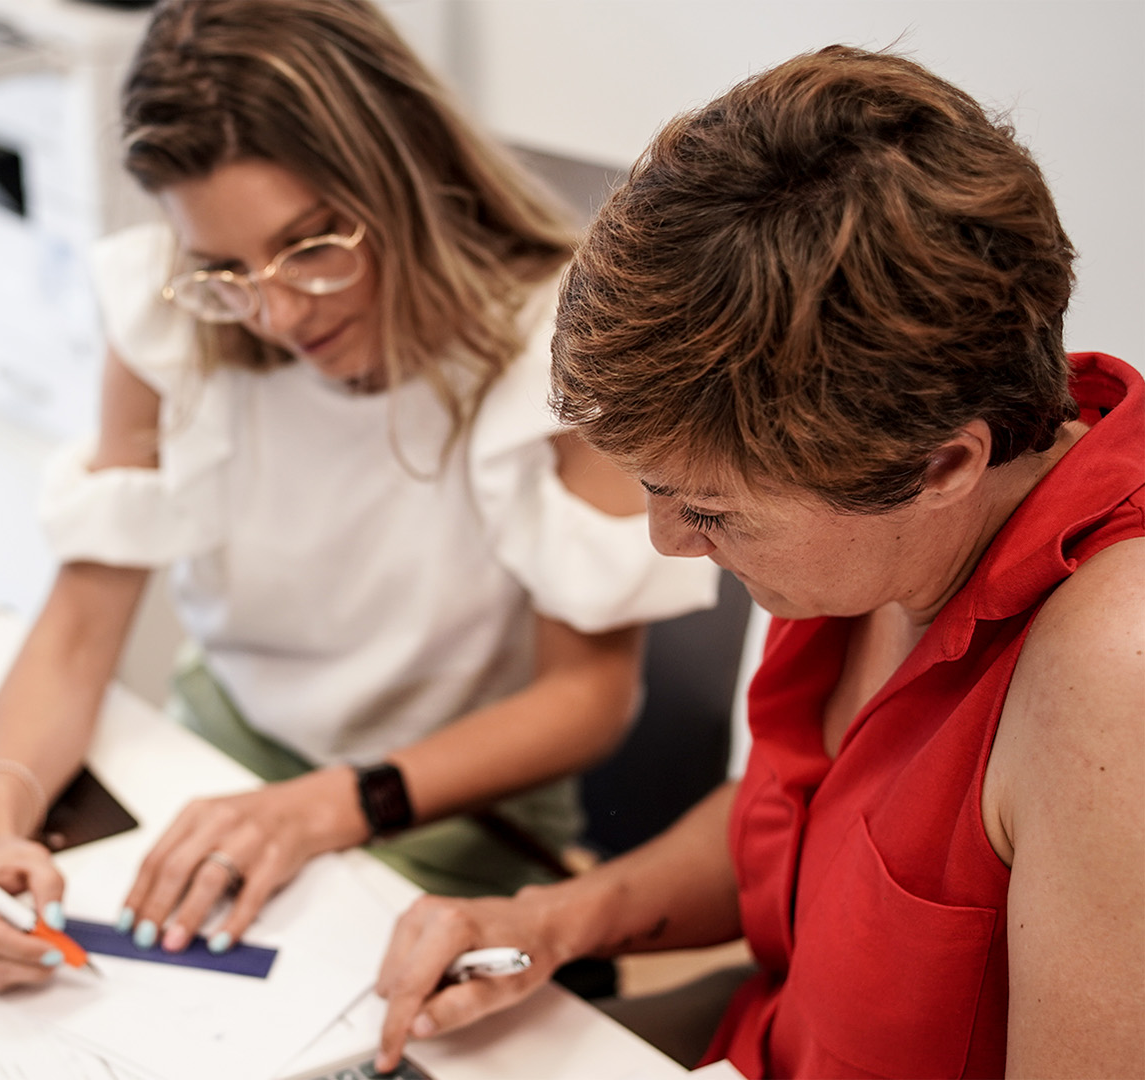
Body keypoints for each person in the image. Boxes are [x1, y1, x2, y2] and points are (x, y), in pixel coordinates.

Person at [372, 45, 1145, 1078]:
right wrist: (553, 919)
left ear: (942, 465)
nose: (667, 540)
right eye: (656, 489)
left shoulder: (1112, 675)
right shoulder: (870, 526)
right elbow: (796, 836)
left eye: (707, 510)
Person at [0, 0, 717, 992]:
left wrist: (324, 808)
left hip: (441, 811)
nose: (275, 312)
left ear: (402, 173)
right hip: (224, 759)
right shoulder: (171, 317)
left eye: (309, 246)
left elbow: (585, 702)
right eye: (225, 269)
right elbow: (79, 632)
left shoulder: (556, 348)